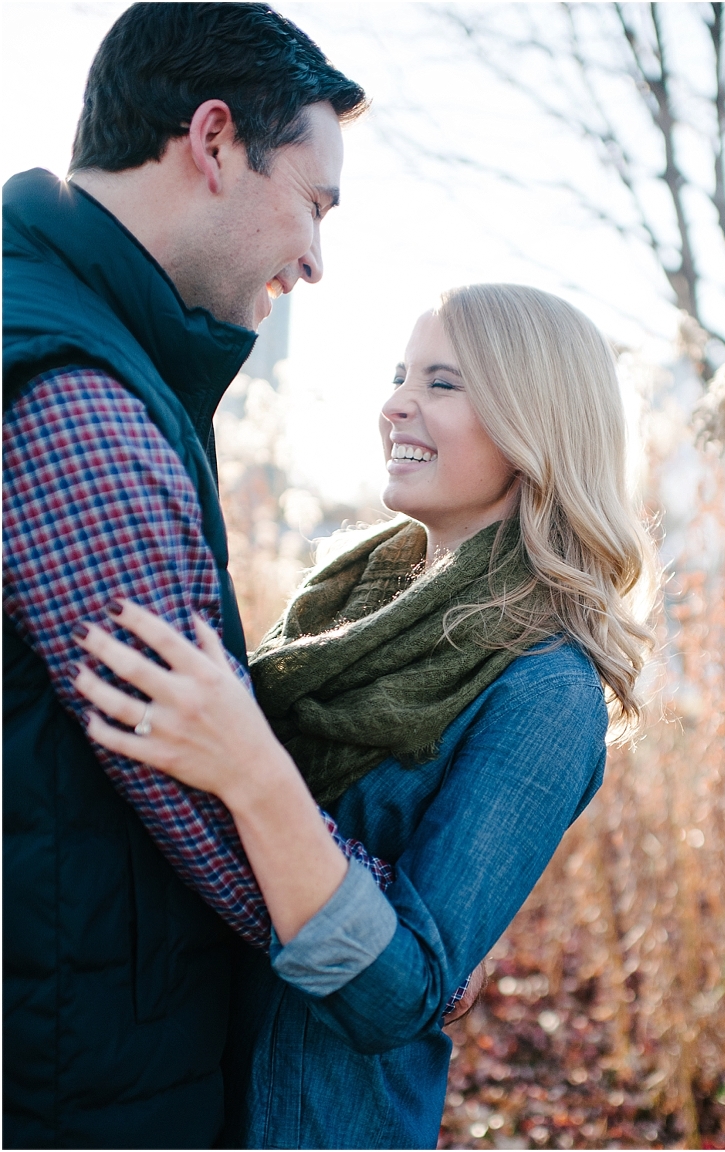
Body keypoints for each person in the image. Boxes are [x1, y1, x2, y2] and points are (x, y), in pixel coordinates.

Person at [71, 283, 658, 1149]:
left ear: (533, 424)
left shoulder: (545, 691)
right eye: (399, 377)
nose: (395, 405)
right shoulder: (345, 604)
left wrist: (253, 773)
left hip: (311, 1118)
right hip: (174, 1078)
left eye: (442, 383)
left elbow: (401, 993)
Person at [2, 4, 383, 1148]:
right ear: (214, 140)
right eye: (315, 203)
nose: (315, 260)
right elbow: (199, 790)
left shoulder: (68, 334)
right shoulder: (74, 397)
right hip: (76, 1082)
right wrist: (387, 951)